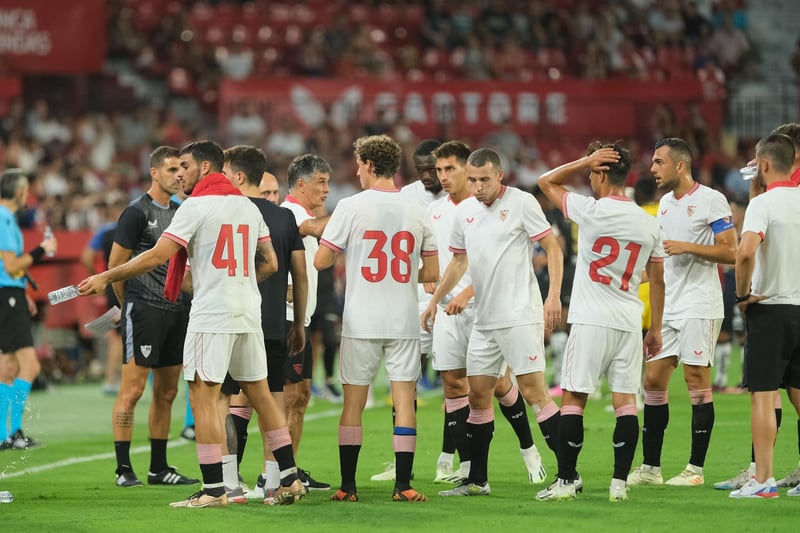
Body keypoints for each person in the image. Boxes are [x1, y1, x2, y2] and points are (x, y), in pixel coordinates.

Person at [78, 140, 306, 508]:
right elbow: (270, 263)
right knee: (262, 394)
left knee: (204, 397)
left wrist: (107, 276)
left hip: (212, 315)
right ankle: (290, 477)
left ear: (204, 168)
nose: (180, 173)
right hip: (248, 311)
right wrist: (235, 282)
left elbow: (158, 255)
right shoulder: (247, 207)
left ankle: (214, 489)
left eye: (184, 166)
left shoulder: (196, 206)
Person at [421, 148, 563, 497]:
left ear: (500, 176)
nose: (477, 186)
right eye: (472, 180)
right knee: (479, 395)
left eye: (484, 179)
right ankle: (477, 480)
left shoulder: (522, 203)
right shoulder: (465, 211)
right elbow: (458, 262)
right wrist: (435, 301)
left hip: (519, 315)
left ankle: (569, 475)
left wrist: (554, 296)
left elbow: (552, 248)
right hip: (485, 320)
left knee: (534, 393)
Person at [535, 142, 665, 502]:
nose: (590, 179)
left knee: (574, 400)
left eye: (593, 173)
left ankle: (566, 481)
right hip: (628, 321)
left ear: (601, 174)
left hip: (591, 320)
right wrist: (655, 329)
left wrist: (584, 160)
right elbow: (657, 281)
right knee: (626, 403)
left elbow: (545, 182)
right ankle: (619, 484)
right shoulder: (648, 223)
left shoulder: (590, 210)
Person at [315, 134, 438, 503]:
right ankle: (403, 485)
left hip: (361, 320)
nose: (357, 172)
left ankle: (348, 486)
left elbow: (321, 261)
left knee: (353, 403)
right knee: (404, 400)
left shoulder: (350, 207)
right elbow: (432, 271)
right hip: (402, 319)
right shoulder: (417, 209)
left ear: (369, 164)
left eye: (359, 165)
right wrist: (401, 274)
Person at [628, 137, 737, 487]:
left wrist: (687, 246)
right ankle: (651, 469)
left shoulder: (711, 199)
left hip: (699, 303)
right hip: (670, 304)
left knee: (696, 380)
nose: (652, 169)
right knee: (653, 380)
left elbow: (731, 252)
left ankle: (695, 470)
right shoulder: (664, 204)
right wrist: (632, 278)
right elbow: (663, 260)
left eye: (659, 162)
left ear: (680, 165)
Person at [100, 146, 198, 488]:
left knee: (167, 392)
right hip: (143, 309)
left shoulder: (183, 212)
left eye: (181, 169)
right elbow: (115, 267)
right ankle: (123, 469)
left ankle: (159, 468)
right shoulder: (136, 213)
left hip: (177, 310)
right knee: (132, 390)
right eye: (171, 170)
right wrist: (129, 306)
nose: (179, 175)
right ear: (154, 173)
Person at [715, 122, 800, 491]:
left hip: (771, 308)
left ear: (763, 165)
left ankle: (762, 480)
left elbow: (746, 251)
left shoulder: (763, 205)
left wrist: (742, 295)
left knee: (764, 396)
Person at [220, 146, 308, 504]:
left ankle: (228, 484)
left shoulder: (223, 212)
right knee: (274, 400)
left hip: (231, 319)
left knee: (222, 401)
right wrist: (298, 323)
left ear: (239, 176)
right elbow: (300, 276)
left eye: (225, 173)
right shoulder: (284, 218)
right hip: (272, 323)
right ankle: (275, 482)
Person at [371, 138, 446, 482]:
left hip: (455, 298)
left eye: (433, 169)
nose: (428, 175)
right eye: (421, 170)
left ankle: (453, 461)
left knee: (460, 383)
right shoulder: (406, 197)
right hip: (413, 299)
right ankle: (400, 463)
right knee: (404, 381)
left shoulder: (461, 194)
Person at [279, 154, 333, 492]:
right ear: (301, 184)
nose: (326, 190)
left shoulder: (305, 215)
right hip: (287, 320)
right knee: (286, 399)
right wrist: (359, 210)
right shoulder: (292, 214)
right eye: (321, 182)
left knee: (300, 396)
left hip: (302, 319)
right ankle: (277, 473)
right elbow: (313, 228)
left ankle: (291, 469)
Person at [0, 168, 57, 450]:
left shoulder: (6, 218)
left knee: (8, 367)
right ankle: (12, 432)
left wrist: (22, 293)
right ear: (19, 192)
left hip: (10, 295)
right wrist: (42, 249)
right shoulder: (3, 218)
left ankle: (5, 434)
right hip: (7, 296)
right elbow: (11, 265)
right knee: (29, 365)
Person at [80, 198, 128, 397]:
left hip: (110, 284)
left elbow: (86, 256)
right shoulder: (133, 229)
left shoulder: (105, 231)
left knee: (116, 335)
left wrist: (98, 277)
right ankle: (118, 380)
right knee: (124, 334)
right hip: (128, 284)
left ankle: (111, 379)